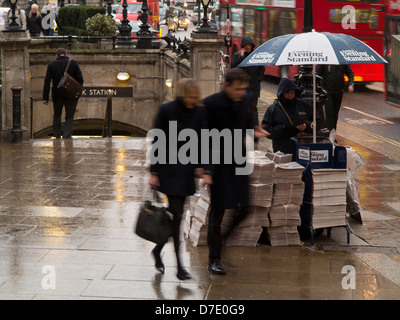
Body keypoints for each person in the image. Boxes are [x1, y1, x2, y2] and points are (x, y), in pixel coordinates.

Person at [202, 68, 269, 275]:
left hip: (239, 160)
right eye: (238, 89)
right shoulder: (211, 104)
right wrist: (206, 170)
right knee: (218, 212)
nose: (242, 93)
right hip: (217, 163)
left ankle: (222, 240)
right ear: (227, 86)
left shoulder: (246, 98)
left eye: (244, 89)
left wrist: (254, 129)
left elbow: (248, 118)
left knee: (246, 208)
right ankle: (214, 258)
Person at [148, 78, 207, 281]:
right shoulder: (166, 110)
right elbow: (157, 140)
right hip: (169, 171)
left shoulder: (199, 112)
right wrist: (154, 172)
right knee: (177, 216)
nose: (193, 100)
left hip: (187, 172)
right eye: (190, 97)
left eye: (195, 97)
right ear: (182, 94)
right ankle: (180, 267)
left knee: (176, 217)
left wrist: (201, 166)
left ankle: (158, 250)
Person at [262, 77, 320, 160]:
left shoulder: (304, 105)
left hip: (304, 150)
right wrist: (284, 129)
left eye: (292, 93)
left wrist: (307, 126)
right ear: (281, 94)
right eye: (287, 93)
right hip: (282, 152)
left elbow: (318, 122)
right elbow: (266, 130)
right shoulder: (273, 109)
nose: (290, 96)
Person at [42, 48, 84, 139]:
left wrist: (45, 97)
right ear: (66, 54)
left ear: (57, 55)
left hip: (57, 95)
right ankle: (66, 137)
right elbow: (80, 79)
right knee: (69, 117)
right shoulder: (73, 63)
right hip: (71, 95)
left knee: (57, 115)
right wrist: (76, 90)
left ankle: (57, 136)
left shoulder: (51, 65)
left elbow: (47, 82)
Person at [231, 36, 265, 129]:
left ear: (252, 45)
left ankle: (254, 132)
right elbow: (233, 68)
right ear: (242, 46)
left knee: (253, 110)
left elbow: (262, 68)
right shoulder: (237, 56)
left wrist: (258, 79)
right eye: (245, 45)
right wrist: (241, 57)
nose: (247, 47)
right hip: (242, 90)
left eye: (249, 45)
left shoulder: (256, 55)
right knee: (242, 110)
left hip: (254, 88)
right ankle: (244, 130)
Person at [316, 64, 354, 131]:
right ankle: (330, 133)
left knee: (335, 113)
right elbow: (317, 74)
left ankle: (333, 132)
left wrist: (351, 84)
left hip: (339, 91)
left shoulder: (342, 62)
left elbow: (350, 73)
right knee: (329, 113)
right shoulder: (325, 62)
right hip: (327, 91)